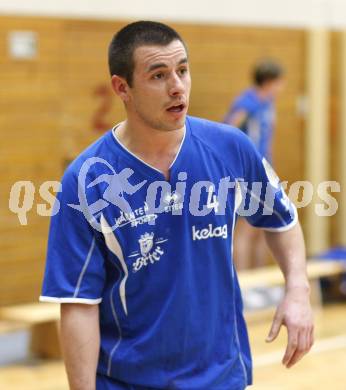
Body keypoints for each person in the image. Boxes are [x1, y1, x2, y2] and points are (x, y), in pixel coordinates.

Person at [40, 21, 314, 390]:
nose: (177, 86)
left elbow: (282, 220)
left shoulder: (229, 148)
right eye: (158, 75)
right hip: (127, 381)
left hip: (222, 376)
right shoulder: (86, 181)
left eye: (182, 70)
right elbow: (78, 303)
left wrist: (297, 291)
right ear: (122, 88)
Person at [223, 60, 285, 271]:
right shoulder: (246, 102)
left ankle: (259, 282)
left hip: (264, 172)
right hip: (246, 174)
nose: (281, 88)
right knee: (246, 228)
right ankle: (243, 283)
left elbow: (270, 139)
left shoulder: (269, 103)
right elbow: (227, 130)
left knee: (263, 227)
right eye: (279, 83)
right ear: (268, 82)